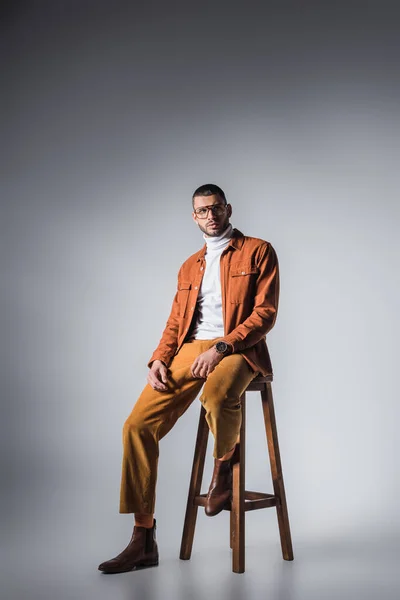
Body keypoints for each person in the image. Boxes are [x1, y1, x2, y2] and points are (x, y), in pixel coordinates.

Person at [98, 183, 280, 574]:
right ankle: (143, 538)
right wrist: (159, 358)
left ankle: (223, 468)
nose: (210, 216)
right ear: (193, 217)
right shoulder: (189, 266)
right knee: (136, 426)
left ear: (228, 209)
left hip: (239, 349)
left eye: (216, 208)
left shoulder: (258, 250)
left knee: (215, 397)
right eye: (202, 211)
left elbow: (265, 313)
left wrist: (223, 347)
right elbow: (177, 321)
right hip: (189, 350)